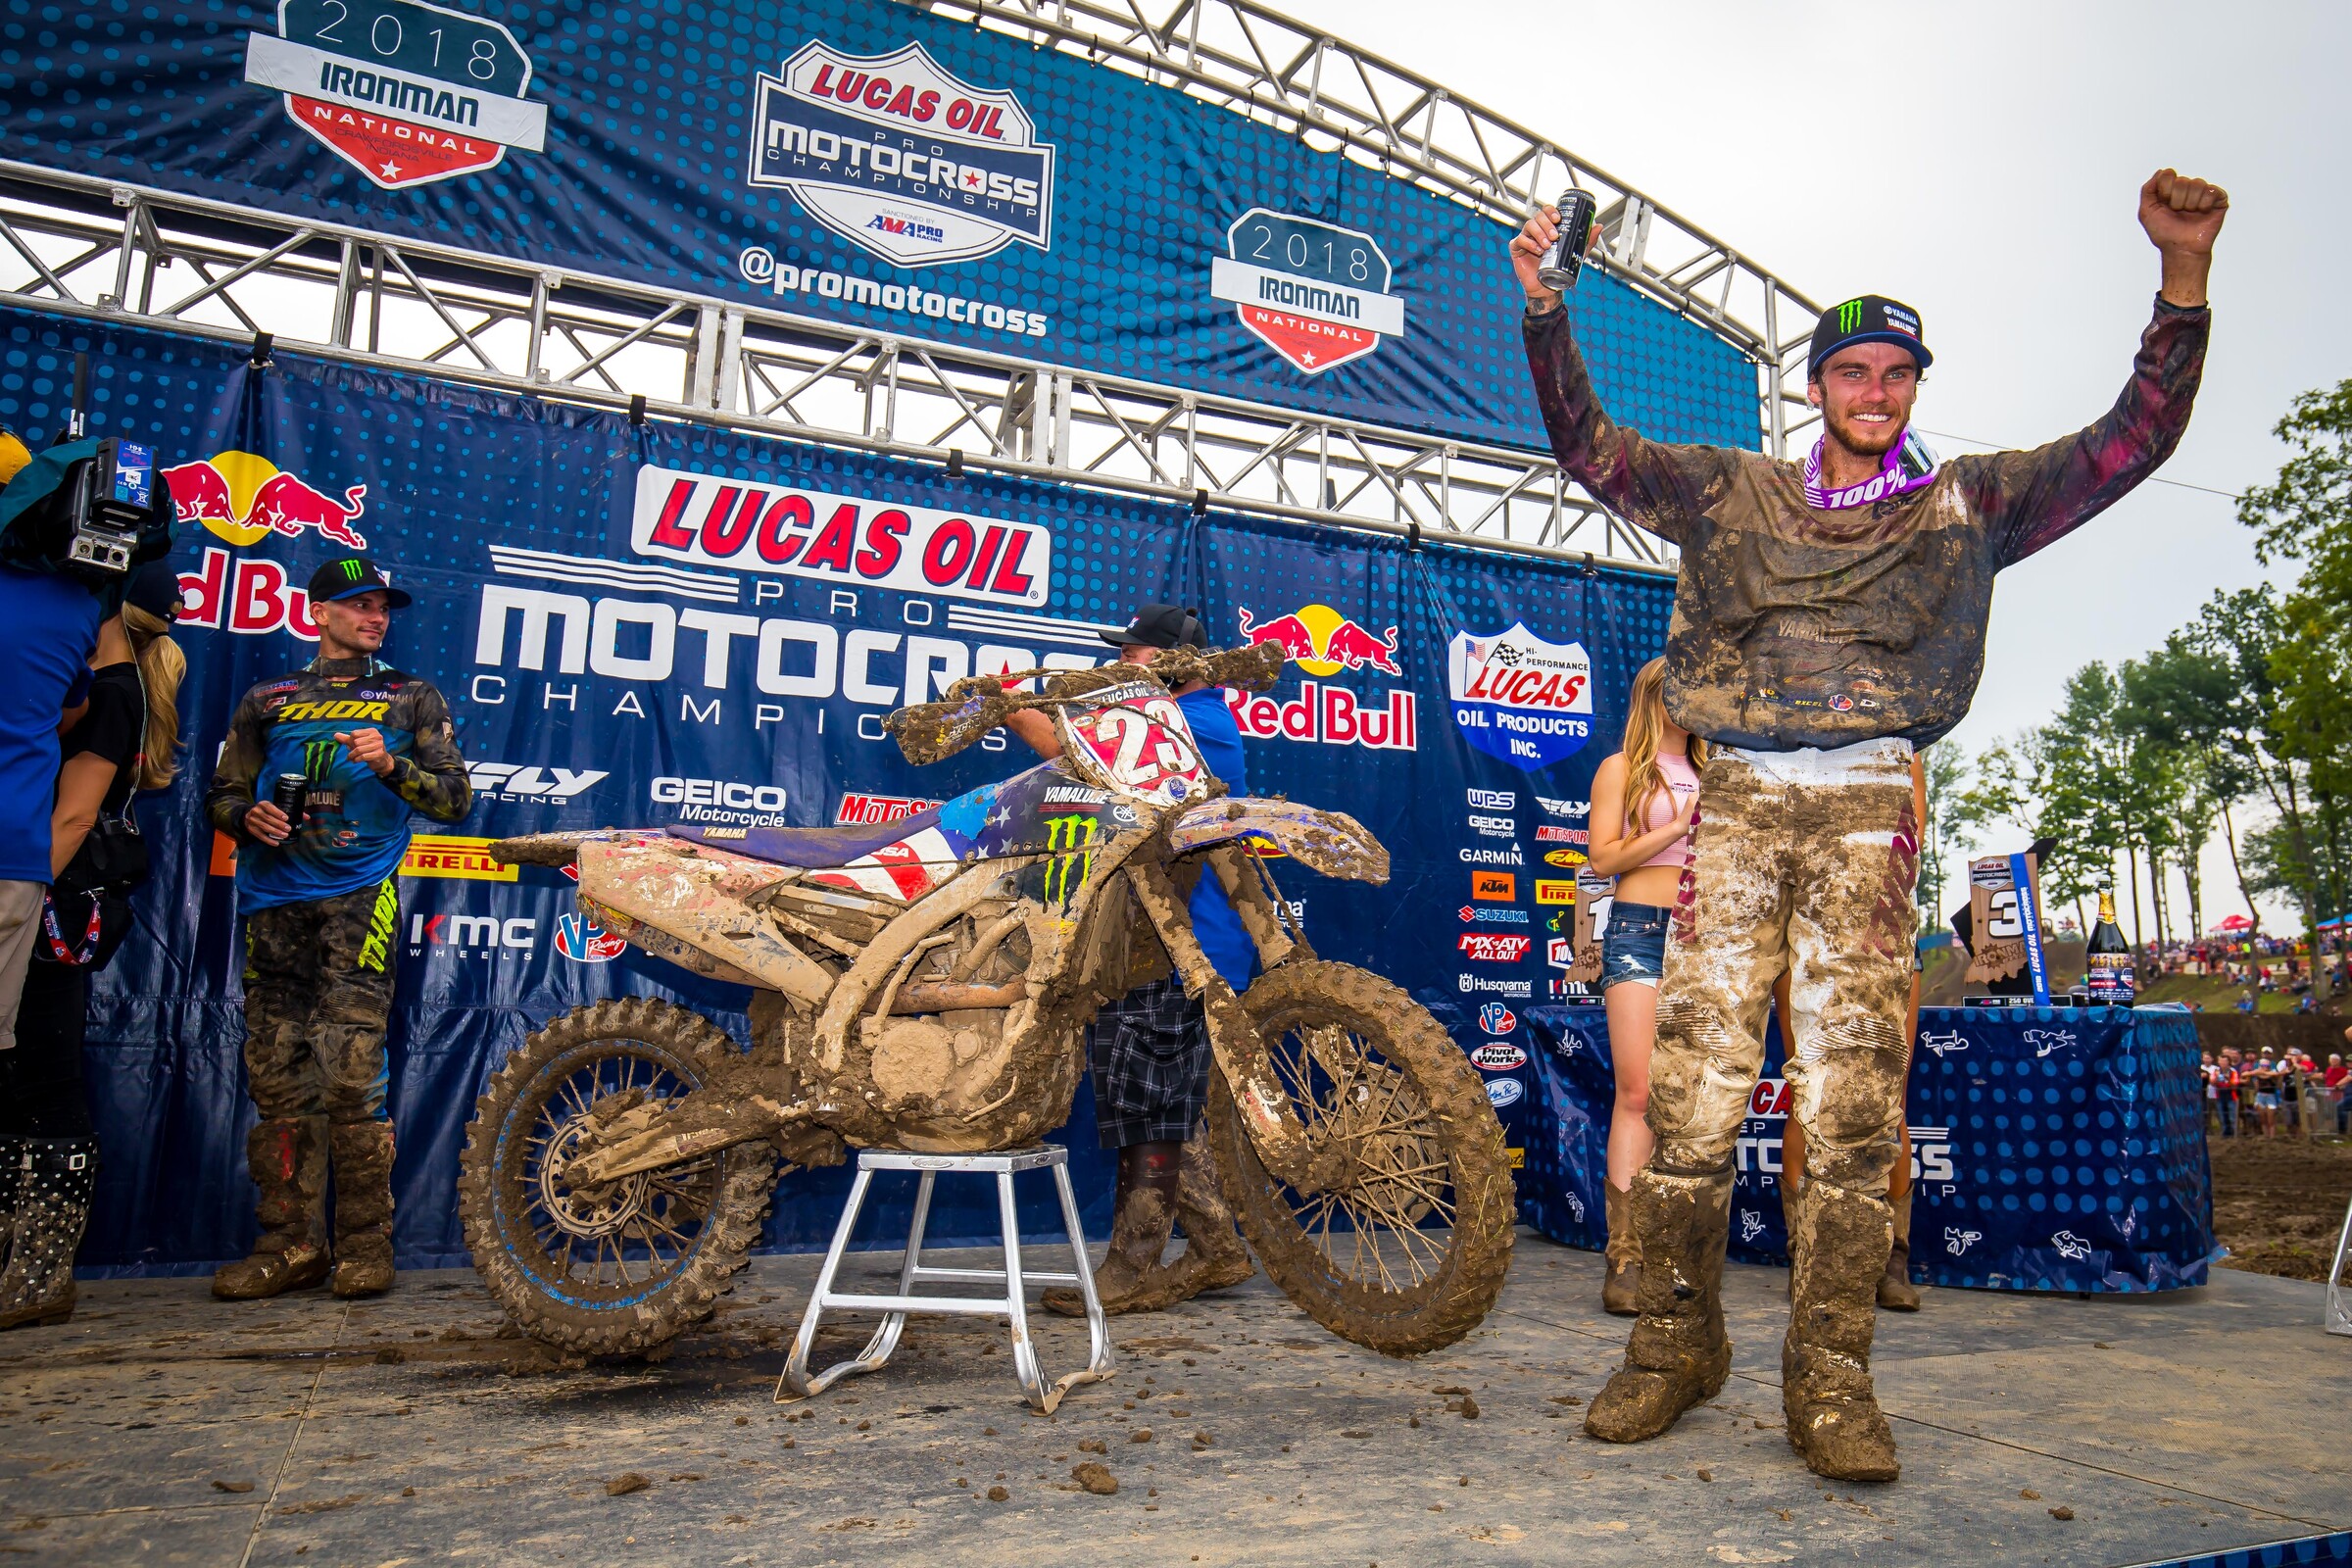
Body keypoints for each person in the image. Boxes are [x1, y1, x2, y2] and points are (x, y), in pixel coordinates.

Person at [1512, 168, 2226, 1482]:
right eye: (1854, 371)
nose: (1876, 393)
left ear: (1913, 389)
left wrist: (2180, 285)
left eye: (1898, 374)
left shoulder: (1965, 502)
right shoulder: (1732, 493)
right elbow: (1590, 450)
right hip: (1734, 810)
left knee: (1849, 1113)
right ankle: (1673, 1348)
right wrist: (1549, 316)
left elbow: (2132, 443)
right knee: (1691, 1100)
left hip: (1863, 818)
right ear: (1817, 386)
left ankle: (1831, 1379)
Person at [202, 559, 469, 1301]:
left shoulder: (410, 697)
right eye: (358, 605)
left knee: (352, 1073)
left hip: (359, 898)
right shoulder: (268, 697)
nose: (375, 617)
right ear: (317, 612)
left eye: (382, 607)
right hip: (270, 899)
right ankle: (289, 1246)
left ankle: (363, 1246)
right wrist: (244, 816)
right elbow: (223, 793)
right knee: (278, 1074)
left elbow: (454, 800)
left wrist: (392, 768)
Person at [1004, 604, 1255, 1318]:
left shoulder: (1193, 723)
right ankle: (1214, 1246)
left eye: (1135, 654)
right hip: (1151, 944)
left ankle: (1134, 1265)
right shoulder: (1182, 718)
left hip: (1178, 950)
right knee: (1169, 1104)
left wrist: (1011, 709)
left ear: (1174, 660)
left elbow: (1068, 749)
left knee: (1147, 1106)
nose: (1121, 666)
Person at [0, 563, 186, 1329]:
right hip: (46, 902)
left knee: (43, 1078)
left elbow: (74, 820)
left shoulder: (111, 697)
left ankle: (40, 1271)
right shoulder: (98, 690)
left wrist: (20, 890)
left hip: (51, 907)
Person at [1778, 755, 1931, 1314]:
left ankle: (1892, 1256)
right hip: (1805, 940)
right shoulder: (1791, 736)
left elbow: (1910, 838)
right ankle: (1807, 1251)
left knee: (1889, 1102)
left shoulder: (1899, 750)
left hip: (1884, 937)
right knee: (1806, 1098)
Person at [1585, 657, 1706, 1315]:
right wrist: (1677, 826)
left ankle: (1676, 1251)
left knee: (1690, 1101)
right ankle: (1625, 1255)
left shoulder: (1718, 774)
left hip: (1706, 939)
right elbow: (1601, 858)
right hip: (1636, 929)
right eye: (1685, 691)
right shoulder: (1622, 770)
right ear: (1658, 697)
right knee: (1636, 1091)